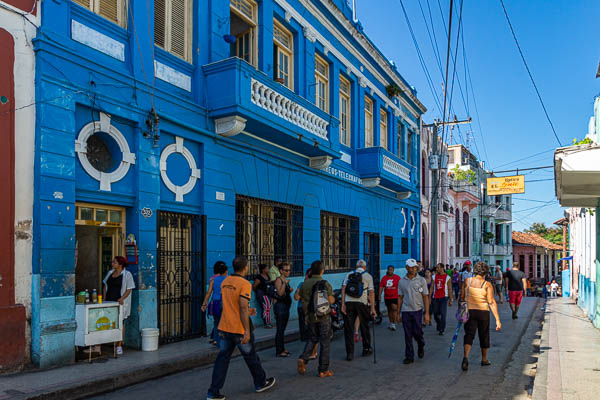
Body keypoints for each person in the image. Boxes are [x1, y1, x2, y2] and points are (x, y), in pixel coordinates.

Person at [206, 256, 275, 400]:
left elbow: (228, 305)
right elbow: (242, 307)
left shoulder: (226, 282)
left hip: (225, 327)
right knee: (251, 357)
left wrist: (248, 311)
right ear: (245, 267)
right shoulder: (244, 283)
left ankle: (213, 392)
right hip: (238, 329)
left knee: (222, 360)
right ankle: (260, 382)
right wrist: (247, 331)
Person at [460, 262, 502, 371]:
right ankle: (484, 359)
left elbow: (462, 297)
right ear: (486, 272)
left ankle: (465, 357)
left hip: (470, 311)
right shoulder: (487, 284)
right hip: (483, 312)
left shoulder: (467, 281)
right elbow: (491, 302)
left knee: (469, 335)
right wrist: (497, 319)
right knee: (484, 335)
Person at [297, 260, 335, 378]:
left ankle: (303, 358)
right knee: (325, 342)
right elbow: (331, 300)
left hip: (311, 317)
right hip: (323, 316)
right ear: (322, 270)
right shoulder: (325, 283)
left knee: (312, 338)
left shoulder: (305, 284)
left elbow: (302, 301)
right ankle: (323, 370)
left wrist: (306, 315)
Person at [341, 259, 376, 361]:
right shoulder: (368, 276)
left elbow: (343, 289)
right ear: (365, 267)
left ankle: (350, 354)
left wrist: (343, 304)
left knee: (348, 329)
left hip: (349, 303)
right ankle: (366, 348)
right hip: (362, 303)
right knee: (364, 326)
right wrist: (373, 308)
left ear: (356, 267)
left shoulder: (349, 274)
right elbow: (372, 293)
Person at [398, 259, 429, 364]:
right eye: (411, 267)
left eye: (415, 267)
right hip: (406, 310)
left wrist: (427, 314)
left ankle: (421, 343)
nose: (413, 269)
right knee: (407, 334)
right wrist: (398, 313)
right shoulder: (402, 281)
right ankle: (409, 356)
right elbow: (400, 298)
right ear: (406, 267)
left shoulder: (421, 280)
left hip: (417, 310)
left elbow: (425, 297)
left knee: (417, 332)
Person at [103, 256, 135, 355]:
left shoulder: (127, 274)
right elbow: (105, 286)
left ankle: (119, 345)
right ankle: (105, 343)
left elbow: (129, 289)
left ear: (120, 264)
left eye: (114, 262)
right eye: (113, 262)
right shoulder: (109, 273)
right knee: (107, 322)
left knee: (120, 323)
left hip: (119, 302)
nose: (112, 264)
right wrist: (104, 299)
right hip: (109, 302)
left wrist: (122, 298)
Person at [202, 261, 229, 345]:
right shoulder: (228, 279)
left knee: (216, 322)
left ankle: (216, 340)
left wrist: (204, 304)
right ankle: (223, 340)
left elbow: (209, 292)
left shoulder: (213, 280)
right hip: (224, 303)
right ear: (225, 271)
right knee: (224, 322)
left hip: (215, 303)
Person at [294, 269, 318, 360]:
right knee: (309, 331)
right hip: (304, 309)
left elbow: (298, 297)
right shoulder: (302, 284)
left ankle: (311, 352)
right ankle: (312, 351)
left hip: (309, 310)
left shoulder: (307, 285)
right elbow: (296, 297)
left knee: (312, 332)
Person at [274, 262, 293, 357]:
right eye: (286, 270)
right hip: (280, 307)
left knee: (283, 329)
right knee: (280, 329)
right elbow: (280, 293)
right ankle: (279, 350)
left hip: (285, 307)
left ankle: (282, 348)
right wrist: (285, 284)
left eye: (289, 270)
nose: (288, 272)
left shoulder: (285, 280)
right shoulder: (279, 280)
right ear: (281, 271)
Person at [431, 263, 453, 335]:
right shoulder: (434, 277)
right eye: (436, 268)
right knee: (436, 313)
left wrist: (450, 299)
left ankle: (442, 329)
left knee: (443, 314)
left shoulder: (447, 278)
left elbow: (450, 289)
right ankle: (439, 323)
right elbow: (431, 287)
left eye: (438, 268)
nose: (436, 269)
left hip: (444, 297)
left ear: (442, 268)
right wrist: (429, 297)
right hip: (435, 297)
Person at [379, 265, 401, 331]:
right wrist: (379, 295)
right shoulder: (384, 278)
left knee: (394, 308)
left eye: (391, 270)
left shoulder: (397, 277)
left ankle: (394, 324)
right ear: (387, 270)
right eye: (389, 269)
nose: (390, 271)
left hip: (395, 296)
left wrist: (402, 295)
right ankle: (391, 323)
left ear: (393, 270)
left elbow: (401, 286)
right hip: (387, 296)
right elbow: (381, 287)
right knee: (389, 310)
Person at [252, 264, 273, 329]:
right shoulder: (259, 277)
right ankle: (267, 323)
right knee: (266, 308)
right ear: (263, 270)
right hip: (262, 294)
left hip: (268, 294)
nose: (268, 270)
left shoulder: (267, 276)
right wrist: (259, 292)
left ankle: (268, 322)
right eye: (267, 268)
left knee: (268, 308)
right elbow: (254, 286)